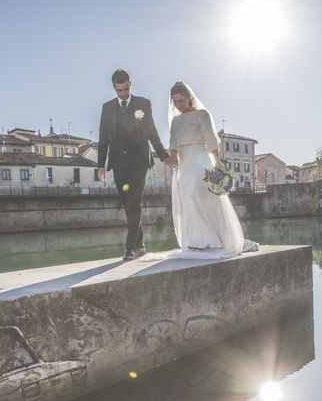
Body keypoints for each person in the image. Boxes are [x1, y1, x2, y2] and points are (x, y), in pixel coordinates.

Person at [167, 82, 256, 258]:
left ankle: (209, 240)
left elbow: (211, 139)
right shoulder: (175, 121)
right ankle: (196, 240)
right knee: (187, 198)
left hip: (201, 160)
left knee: (199, 196)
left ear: (189, 98)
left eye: (181, 100)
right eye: (175, 101)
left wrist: (217, 162)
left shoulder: (202, 114)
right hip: (184, 163)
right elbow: (173, 142)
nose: (178, 104)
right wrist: (173, 155)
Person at [98, 69, 170, 261]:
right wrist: (100, 165)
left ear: (131, 83)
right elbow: (103, 138)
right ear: (114, 87)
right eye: (119, 90)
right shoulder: (107, 108)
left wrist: (163, 154)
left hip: (139, 159)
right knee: (126, 203)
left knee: (133, 203)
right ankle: (140, 245)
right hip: (118, 161)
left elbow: (152, 131)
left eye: (126, 89)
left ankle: (129, 248)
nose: (123, 93)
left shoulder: (143, 103)